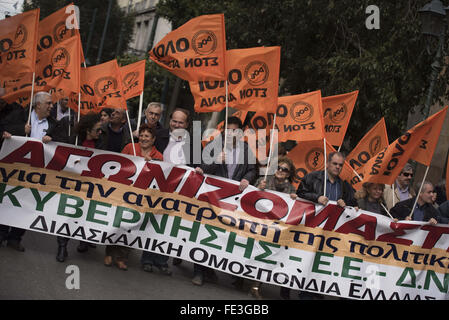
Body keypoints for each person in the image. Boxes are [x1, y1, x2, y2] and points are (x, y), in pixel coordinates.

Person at [194, 116, 257, 286]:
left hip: (233, 200)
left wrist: (246, 179)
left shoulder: (247, 150)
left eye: (235, 130)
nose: (231, 134)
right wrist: (215, 161)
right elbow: (201, 168)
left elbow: (252, 170)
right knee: (206, 233)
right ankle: (199, 272)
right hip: (213, 197)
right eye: (228, 130)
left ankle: (210, 269)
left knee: (222, 235)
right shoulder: (214, 146)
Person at [122, 124, 172, 275]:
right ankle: (114, 254)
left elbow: (159, 177)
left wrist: (152, 165)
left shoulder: (159, 156)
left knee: (135, 224)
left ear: (153, 139)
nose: (143, 139)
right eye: (142, 135)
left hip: (144, 196)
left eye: (147, 136)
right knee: (121, 222)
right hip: (126, 191)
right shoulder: (130, 147)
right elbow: (120, 163)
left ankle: (126, 254)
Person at [55, 112, 103, 262]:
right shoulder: (73, 140)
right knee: (68, 214)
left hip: (92, 187)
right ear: (88, 130)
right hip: (72, 186)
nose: (100, 132)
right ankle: (62, 246)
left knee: (87, 214)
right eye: (97, 130)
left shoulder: (102, 143)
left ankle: (83, 240)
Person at [250, 156, 297, 300]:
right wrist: (258, 188)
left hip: (275, 228)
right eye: (279, 168)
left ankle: (256, 286)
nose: (281, 171)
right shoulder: (264, 180)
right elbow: (250, 196)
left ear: (289, 174)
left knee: (266, 256)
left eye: (285, 170)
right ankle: (239, 279)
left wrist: (294, 198)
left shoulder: (291, 189)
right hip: (257, 223)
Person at [97, 107, 132, 270]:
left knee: (121, 218)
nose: (113, 114)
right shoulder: (101, 129)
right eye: (113, 113)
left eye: (117, 113)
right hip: (101, 176)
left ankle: (120, 256)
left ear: (124, 120)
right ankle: (106, 251)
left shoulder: (129, 137)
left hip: (122, 181)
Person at [0, 87, 27, 251]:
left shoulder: (17, 110)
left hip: (17, 165)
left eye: (4, 99)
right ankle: (2, 233)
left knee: (20, 201)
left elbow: (19, 129)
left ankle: (15, 238)